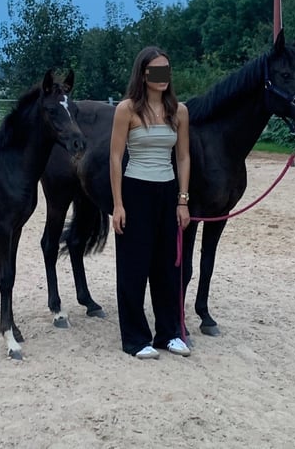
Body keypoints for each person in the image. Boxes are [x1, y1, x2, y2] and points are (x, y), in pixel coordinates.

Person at [110, 46, 191, 360]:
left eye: (166, 70)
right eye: (156, 71)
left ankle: (169, 333)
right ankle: (135, 338)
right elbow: (115, 157)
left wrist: (182, 200)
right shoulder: (126, 110)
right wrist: (118, 204)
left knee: (168, 267)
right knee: (133, 266)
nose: (163, 77)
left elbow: (183, 156)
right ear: (143, 74)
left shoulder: (178, 111)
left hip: (167, 190)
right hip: (135, 190)